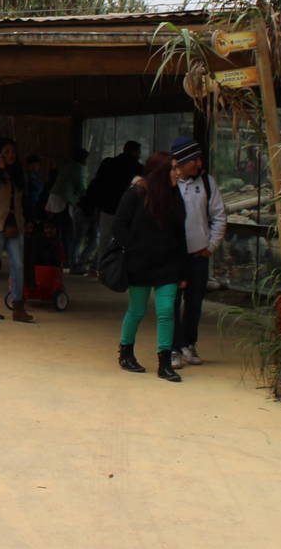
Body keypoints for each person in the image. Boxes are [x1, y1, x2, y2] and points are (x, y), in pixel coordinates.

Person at [111, 150, 189, 381]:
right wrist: (133, 249)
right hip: (140, 264)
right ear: (160, 173)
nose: (178, 173)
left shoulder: (175, 196)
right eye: (173, 169)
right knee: (137, 310)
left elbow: (181, 234)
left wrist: (183, 269)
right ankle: (126, 352)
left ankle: (165, 362)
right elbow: (119, 227)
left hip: (168, 265)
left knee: (166, 311)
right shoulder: (136, 194)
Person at [171, 135, 226, 367]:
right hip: (173, 257)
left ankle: (189, 344)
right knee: (171, 302)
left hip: (198, 256)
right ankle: (172, 348)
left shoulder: (207, 182)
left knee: (194, 302)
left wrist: (211, 246)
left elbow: (219, 216)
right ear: (183, 162)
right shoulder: (170, 183)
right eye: (194, 160)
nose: (199, 163)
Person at [0, 138, 33, 322]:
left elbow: (23, 197)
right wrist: (1, 169)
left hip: (14, 224)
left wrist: (26, 221)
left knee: (18, 265)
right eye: (7, 152)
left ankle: (18, 307)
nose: (11, 155)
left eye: (13, 152)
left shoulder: (18, 170)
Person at [82, 140, 143, 271]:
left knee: (104, 239)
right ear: (134, 152)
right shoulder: (134, 165)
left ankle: (101, 268)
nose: (139, 154)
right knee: (122, 240)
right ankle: (115, 268)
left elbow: (97, 182)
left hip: (106, 207)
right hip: (123, 208)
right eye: (138, 152)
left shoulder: (108, 163)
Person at [45, 147, 89, 270]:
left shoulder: (68, 166)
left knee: (59, 231)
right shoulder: (78, 168)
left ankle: (60, 259)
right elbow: (82, 187)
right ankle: (66, 260)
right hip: (62, 201)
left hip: (55, 199)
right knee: (66, 232)